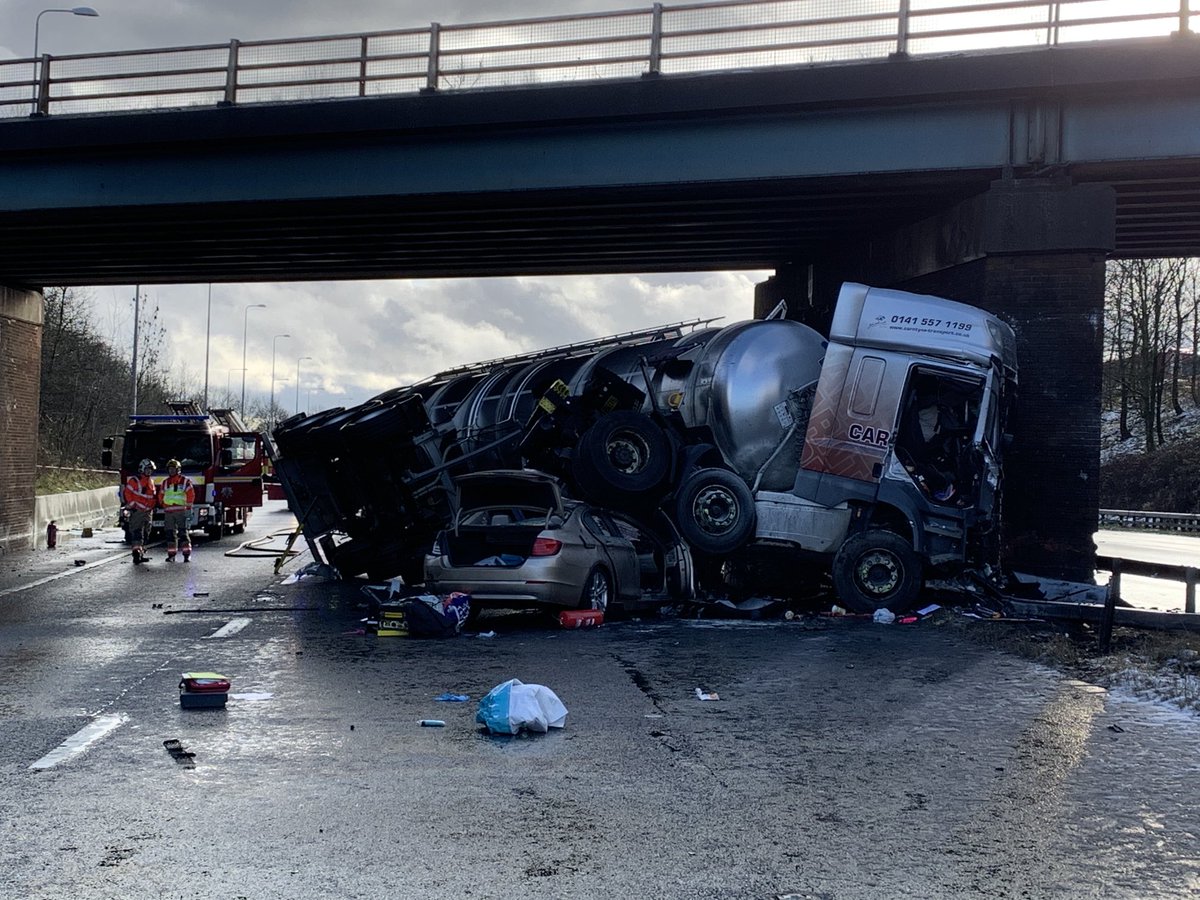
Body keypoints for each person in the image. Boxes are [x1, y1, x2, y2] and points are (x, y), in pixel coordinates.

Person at [157, 458, 196, 562]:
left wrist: (188, 508)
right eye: (170, 469)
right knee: (170, 534)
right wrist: (163, 504)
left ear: (178, 470)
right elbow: (161, 494)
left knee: (183, 533)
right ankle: (171, 554)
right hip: (169, 512)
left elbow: (190, 494)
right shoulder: (165, 483)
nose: (171, 471)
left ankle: (186, 554)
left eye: (173, 469)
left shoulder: (185, 481)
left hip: (181, 511)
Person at [123, 459, 157, 564]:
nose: (149, 472)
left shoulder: (151, 481)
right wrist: (134, 505)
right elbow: (127, 493)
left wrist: (152, 507)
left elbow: (152, 497)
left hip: (148, 512)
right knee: (137, 532)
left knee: (146, 533)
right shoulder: (135, 480)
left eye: (150, 470)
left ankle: (141, 552)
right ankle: (136, 554)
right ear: (142, 469)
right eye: (147, 469)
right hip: (138, 511)